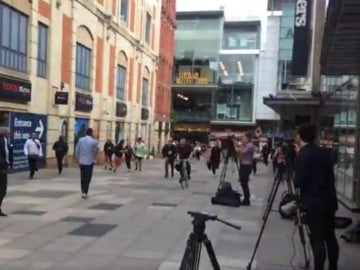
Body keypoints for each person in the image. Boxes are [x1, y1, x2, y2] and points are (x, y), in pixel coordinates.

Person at [294, 124, 339, 270]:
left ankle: (318, 267)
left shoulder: (304, 154)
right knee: (330, 237)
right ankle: (333, 266)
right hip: (329, 200)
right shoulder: (323, 152)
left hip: (314, 202)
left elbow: (298, 181)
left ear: (300, 136)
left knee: (317, 238)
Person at [75, 128, 99, 199]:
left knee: (82, 177)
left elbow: (77, 150)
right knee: (88, 177)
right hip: (89, 162)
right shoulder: (93, 141)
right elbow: (97, 148)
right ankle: (85, 192)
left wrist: (77, 158)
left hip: (81, 162)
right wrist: (94, 156)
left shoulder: (81, 140)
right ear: (91, 133)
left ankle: (83, 192)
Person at [235, 132, 254, 206]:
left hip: (247, 166)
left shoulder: (250, 146)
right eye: (242, 138)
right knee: (242, 182)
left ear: (248, 139)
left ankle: (247, 199)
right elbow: (239, 153)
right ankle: (246, 198)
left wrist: (237, 147)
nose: (243, 140)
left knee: (244, 182)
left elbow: (241, 152)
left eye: (244, 139)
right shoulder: (244, 145)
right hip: (243, 164)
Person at [0, 127, 13, 217]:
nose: (9, 134)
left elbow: (7, 153)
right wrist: (3, 166)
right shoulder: (1, 141)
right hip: (1, 168)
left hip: (3, 167)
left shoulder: (5, 140)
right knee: (2, 190)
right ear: (5, 133)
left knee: (2, 190)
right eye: (8, 133)